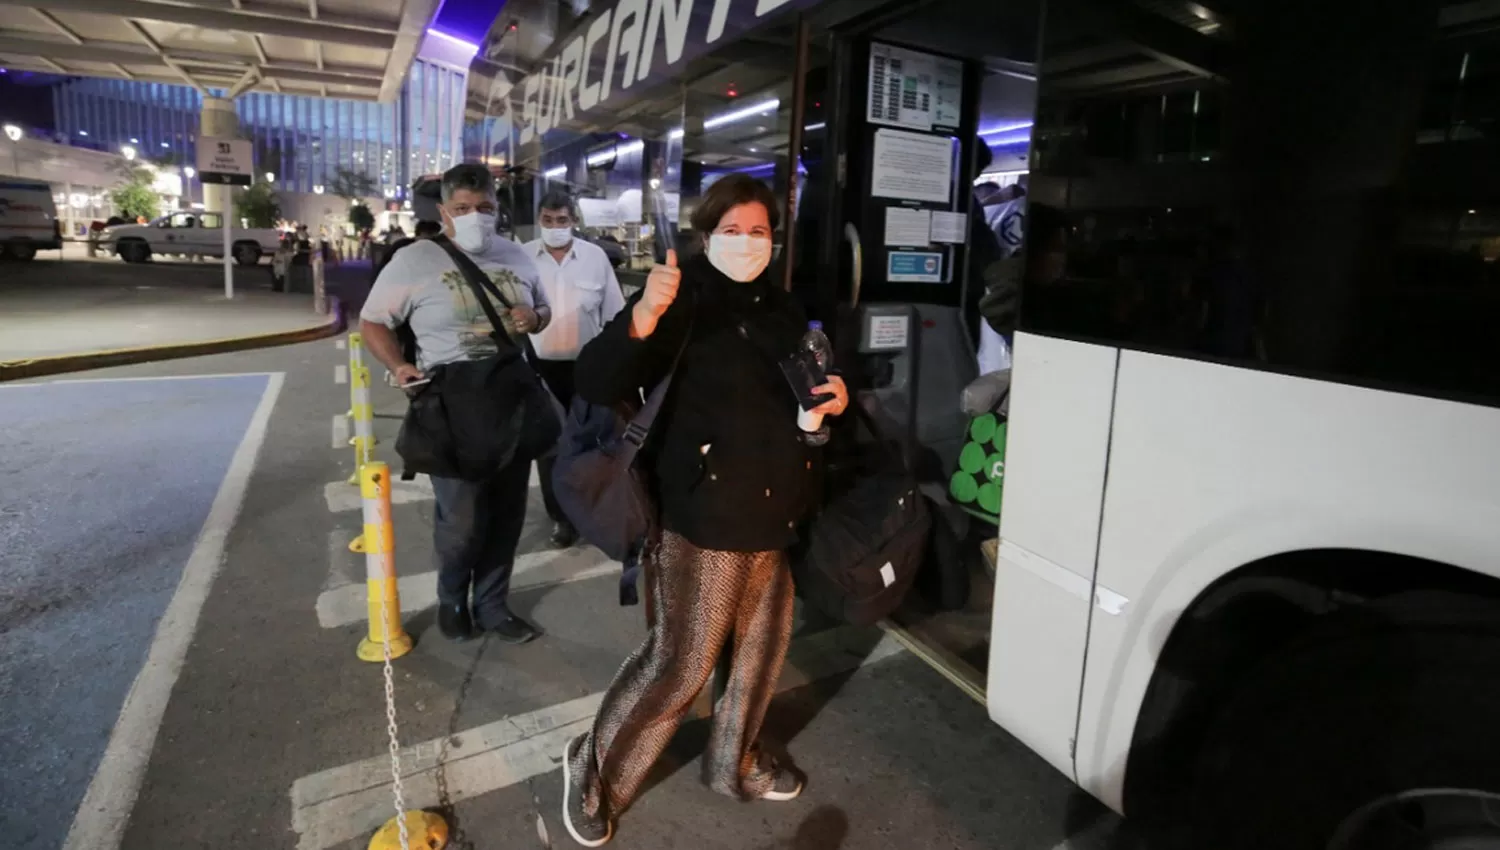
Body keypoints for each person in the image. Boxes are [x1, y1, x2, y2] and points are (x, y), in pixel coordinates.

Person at [560, 174, 850, 847]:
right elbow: (596, 381)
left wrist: (824, 410)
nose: (746, 242)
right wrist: (640, 320)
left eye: (759, 231)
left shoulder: (783, 309)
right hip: (702, 516)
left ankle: (736, 765)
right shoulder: (678, 296)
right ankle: (594, 768)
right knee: (681, 664)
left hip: (774, 514)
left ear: (775, 240)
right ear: (706, 232)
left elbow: (800, 406)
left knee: (759, 655)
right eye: (732, 229)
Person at [357, 163, 552, 644]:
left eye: (484, 208)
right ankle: (451, 599)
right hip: (450, 406)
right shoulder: (414, 259)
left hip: (510, 400)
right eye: (463, 208)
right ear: (444, 211)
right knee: (462, 521)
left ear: (497, 209)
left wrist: (535, 316)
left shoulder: (519, 257)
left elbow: (543, 312)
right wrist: (401, 366)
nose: (475, 217)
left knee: (506, 516)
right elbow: (373, 322)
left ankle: (492, 606)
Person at [523, 189, 628, 548]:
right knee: (551, 449)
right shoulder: (522, 258)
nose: (555, 227)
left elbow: (614, 314)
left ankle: (591, 510)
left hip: (587, 368)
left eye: (562, 220)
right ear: (539, 220)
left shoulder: (594, 258)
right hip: (539, 370)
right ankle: (562, 519)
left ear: (573, 221)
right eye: (548, 220)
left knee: (590, 443)